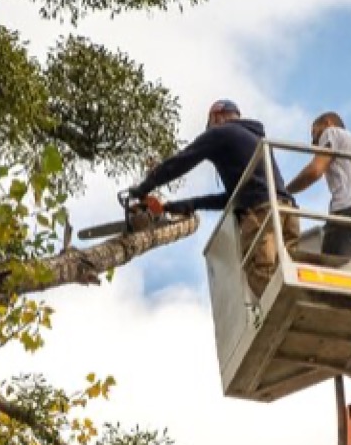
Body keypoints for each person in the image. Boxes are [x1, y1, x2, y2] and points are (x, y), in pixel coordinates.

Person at [128, 99, 299, 299]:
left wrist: (143, 188)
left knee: (260, 273)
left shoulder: (221, 132)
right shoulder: (254, 140)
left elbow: (181, 161)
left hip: (262, 214)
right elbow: (232, 198)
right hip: (287, 212)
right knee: (287, 276)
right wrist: (188, 204)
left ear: (216, 116)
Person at [285, 112, 351, 258]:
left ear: (328, 123)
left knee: (332, 275)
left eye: (314, 133)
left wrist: (285, 191)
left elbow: (315, 171)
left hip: (347, 214)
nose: (313, 143)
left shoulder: (331, 133)